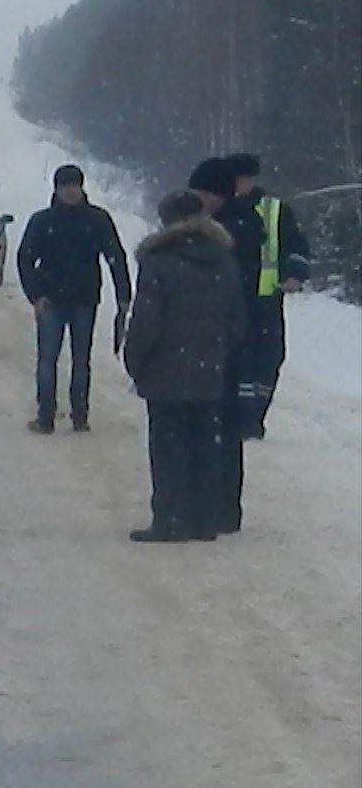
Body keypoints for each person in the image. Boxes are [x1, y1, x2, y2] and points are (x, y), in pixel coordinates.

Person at [123, 190, 246, 542]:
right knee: (205, 443)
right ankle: (205, 519)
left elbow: (146, 321)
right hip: (210, 371)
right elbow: (237, 322)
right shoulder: (224, 260)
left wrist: (137, 362)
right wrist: (217, 351)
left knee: (167, 447)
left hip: (165, 371)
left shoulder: (159, 261)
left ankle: (170, 519)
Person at [16, 164, 131, 434]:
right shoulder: (43, 221)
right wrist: (36, 296)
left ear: (82, 187)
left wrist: (123, 295)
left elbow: (116, 257)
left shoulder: (97, 220)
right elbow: (25, 259)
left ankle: (80, 415)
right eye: (65, 186)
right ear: (56, 188)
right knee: (47, 359)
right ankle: (46, 416)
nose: (70, 191)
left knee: (81, 359)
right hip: (51, 300)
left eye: (74, 185)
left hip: (84, 298)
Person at [188, 157, 265, 533]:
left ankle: (222, 507)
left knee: (222, 422)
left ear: (216, 194)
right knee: (214, 421)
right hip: (219, 335)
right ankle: (213, 503)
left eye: (201, 193)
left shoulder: (236, 229)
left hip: (230, 336)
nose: (197, 199)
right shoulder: (226, 224)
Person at [225, 153, 312, 438]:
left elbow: (295, 245)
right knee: (239, 359)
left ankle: (256, 415)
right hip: (230, 300)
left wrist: (296, 274)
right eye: (237, 178)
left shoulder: (275, 210)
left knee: (270, 358)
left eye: (246, 178)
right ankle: (241, 419)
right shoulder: (220, 211)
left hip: (267, 300)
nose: (242, 184)